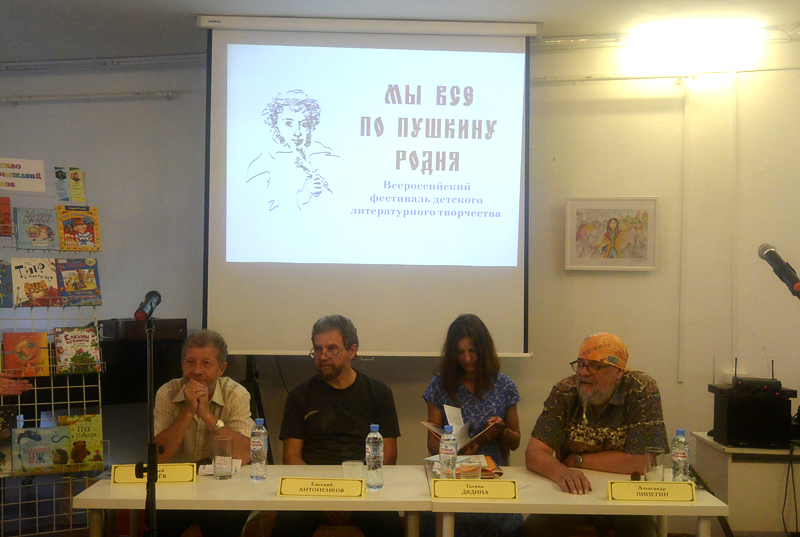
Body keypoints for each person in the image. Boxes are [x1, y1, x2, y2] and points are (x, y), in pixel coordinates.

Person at [524, 332, 669, 537]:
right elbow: (534, 453)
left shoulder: (641, 389)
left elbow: (642, 462)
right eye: (580, 364)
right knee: (533, 530)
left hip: (626, 494)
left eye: (594, 366)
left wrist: (577, 460)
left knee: (641, 533)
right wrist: (563, 473)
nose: (583, 373)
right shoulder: (565, 391)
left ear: (618, 371)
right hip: (575, 492)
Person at [273, 314, 403, 537]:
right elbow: (291, 457)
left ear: (352, 351)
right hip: (312, 489)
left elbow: (388, 456)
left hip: (364, 488)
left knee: (389, 525)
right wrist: (324, 497)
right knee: (286, 524)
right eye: (318, 349)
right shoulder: (299, 395)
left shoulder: (379, 393)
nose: (323, 356)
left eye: (332, 349)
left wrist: (353, 496)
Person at [422, 313, 523, 537]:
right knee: (434, 516)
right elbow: (432, 444)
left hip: (491, 475)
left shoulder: (504, 385)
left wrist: (502, 430)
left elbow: (515, 442)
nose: (467, 358)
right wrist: (453, 448)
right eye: (460, 352)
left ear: (484, 350)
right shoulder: (440, 385)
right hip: (452, 473)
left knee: (506, 521)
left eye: (473, 351)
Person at [153, 329, 254, 537]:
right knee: (155, 523)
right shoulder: (167, 393)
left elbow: (245, 455)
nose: (197, 371)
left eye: (206, 363)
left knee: (223, 522)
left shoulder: (236, 394)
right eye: (190, 362)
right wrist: (188, 412)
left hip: (223, 489)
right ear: (182, 364)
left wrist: (208, 416)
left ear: (221, 369)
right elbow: (157, 456)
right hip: (176, 490)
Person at [246, 90, 338, 211]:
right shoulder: (262, 167)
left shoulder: (322, 155)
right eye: (289, 124)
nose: (297, 132)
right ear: (275, 124)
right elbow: (262, 213)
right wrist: (305, 195)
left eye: (304, 125)